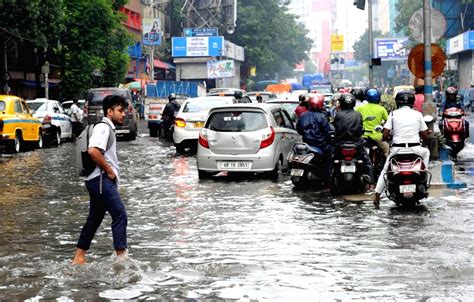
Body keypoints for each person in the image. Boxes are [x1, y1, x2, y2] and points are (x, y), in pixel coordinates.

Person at [72, 95, 129, 265]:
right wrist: (109, 170)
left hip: (96, 180)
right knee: (120, 215)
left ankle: (79, 257)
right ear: (109, 111)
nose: (124, 114)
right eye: (120, 110)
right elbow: (93, 151)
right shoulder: (104, 128)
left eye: (124, 110)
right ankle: (121, 258)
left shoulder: (107, 128)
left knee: (94, 219)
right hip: (100, 180)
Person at [373, 91, 430, 207]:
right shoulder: (418, 114)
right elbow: (425, 135)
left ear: (397, 102)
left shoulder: (393, 114)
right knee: (427, 152)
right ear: (412, 102)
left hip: (397, 151)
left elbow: (385, 134)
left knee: (385, 171)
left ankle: (377, 196)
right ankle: (425, 178)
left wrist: (387, 138)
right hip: (415, 149)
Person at [333, 93, 375, 191]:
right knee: (367, 162)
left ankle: (328, 183)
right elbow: (360, 128)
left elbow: (335, 128)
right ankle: (371, 184)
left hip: (341, 144)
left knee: (331, 161)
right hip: (356, 144)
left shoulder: (338, 114)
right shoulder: (358, 114)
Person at [296, 94, 333, 186]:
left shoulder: (303, 115)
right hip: (321, 145)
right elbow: (327, 131)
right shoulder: (322, 117)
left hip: (307, 144)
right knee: (330, 157)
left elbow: (299, 129)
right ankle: (326, 179)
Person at [355, 88, 390, 157]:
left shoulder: (360, 108)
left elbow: (354, 118)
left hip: (363, 136)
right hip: (377, 136)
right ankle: (386, 166)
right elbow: (388, 121)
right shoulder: (381, 109)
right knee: (387, 149)